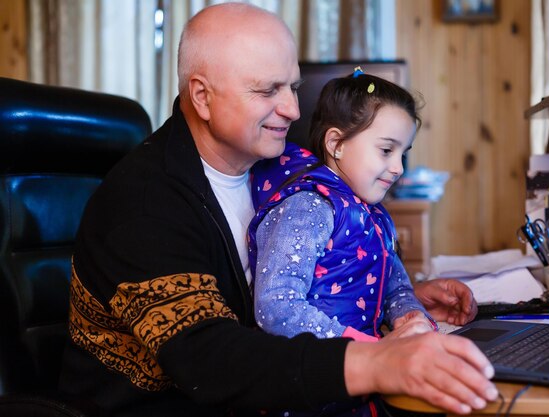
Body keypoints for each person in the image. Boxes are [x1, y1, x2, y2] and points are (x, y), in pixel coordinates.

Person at [58, 3, 498, 417]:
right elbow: (211, 359)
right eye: (268, 90)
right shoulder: (145, 204)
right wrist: (377, 361)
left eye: (293, 87)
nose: (291, 109)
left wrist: (381, 296)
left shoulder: (284, 167)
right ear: (203, 97)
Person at [247, 69, 443, 416]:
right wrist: (369, 351)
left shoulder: (374, 215)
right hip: (311, 392)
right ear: (335, 144)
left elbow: (395, 289)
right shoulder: (308, 207)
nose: (397, 168)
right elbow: (277, 305)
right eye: (386, 150)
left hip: (363, 384)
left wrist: (412, 319)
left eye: (403, 153)